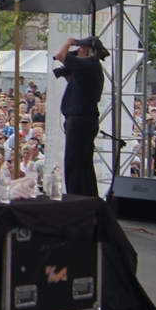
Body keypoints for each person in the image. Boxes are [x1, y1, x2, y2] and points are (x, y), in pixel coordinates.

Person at [53, 35, 107, 198]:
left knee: (75, 164)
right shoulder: (89, 68)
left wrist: (69, 43)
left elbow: (62, 55)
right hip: (83, 120)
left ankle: (76, 198)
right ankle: (86, 198)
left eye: (83, 47)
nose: (79, 50)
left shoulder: (89, 66)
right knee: (83, 164)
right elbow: (73, 80)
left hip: (80, 120)